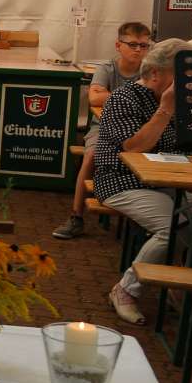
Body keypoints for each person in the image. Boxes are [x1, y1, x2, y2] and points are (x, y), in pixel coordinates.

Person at [93, 38, 192, 324]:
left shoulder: (189, 99)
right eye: (183, 74)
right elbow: (134, 147)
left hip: (170, 181)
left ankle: (190, 288)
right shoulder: (124, 98)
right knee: (173, 226)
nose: (191, 80)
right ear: (156, 73)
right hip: (121, 180)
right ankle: (126, 290)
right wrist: (166, 106)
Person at [53, 21, 152, 240]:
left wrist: (114, 95)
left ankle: (144, 220)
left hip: (138, 128)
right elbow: (94, 98)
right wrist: (135, 94)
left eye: (144, 46)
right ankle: (76, 216)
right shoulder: (107, 68)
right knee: (91, 155)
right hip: (104, 124)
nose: (139, 50)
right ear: (118, 45)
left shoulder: (150, 70)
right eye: (133, 44)